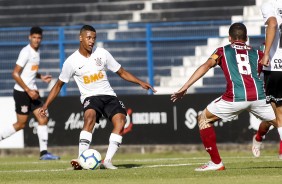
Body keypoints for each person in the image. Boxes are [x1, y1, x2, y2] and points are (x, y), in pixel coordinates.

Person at [38, 25, 156, 170]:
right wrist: (45, 106)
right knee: (89, 117)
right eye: (88, 37)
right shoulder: (71, 61)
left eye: (94, 38)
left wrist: (140, 82)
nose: (91, 41)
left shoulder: (102, 53)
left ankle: (107, 161)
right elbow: (58, 85)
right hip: (90, 97)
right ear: (80, 38)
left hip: (109, 95)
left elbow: (121, 72)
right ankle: (81, 159)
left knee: (121, 121)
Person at [171, 22, 279, 171]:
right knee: (280, 123)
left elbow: (206, 66)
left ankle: (216, 163)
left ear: (229, 38)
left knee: (203, 118)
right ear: (246, 38)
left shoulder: (222, 51)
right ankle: (259, 137)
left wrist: (185, 87)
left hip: (235, 98)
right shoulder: (258, 53)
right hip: (260, 97)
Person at [0, 26, 60, 160]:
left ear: (41, 39)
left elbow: (30, 71)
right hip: (22, 93)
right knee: (21, 124)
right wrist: (28, 90)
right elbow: (15, 73)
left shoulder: (36, 51)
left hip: (33, 92)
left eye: (39, 38)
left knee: (43, 118)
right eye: (34, 37)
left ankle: (44, 153)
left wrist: (41, 77)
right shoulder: (26, 52)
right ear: (29, 37)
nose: (36, 40)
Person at [252, 0, 282, 159]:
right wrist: (266, 54)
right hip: (276, 67)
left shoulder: (268, 5)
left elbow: (272, 24)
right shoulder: (269, 4)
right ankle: (259, 136)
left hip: (276, 69)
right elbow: (272, 24)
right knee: (276, 116)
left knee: (279, 115)